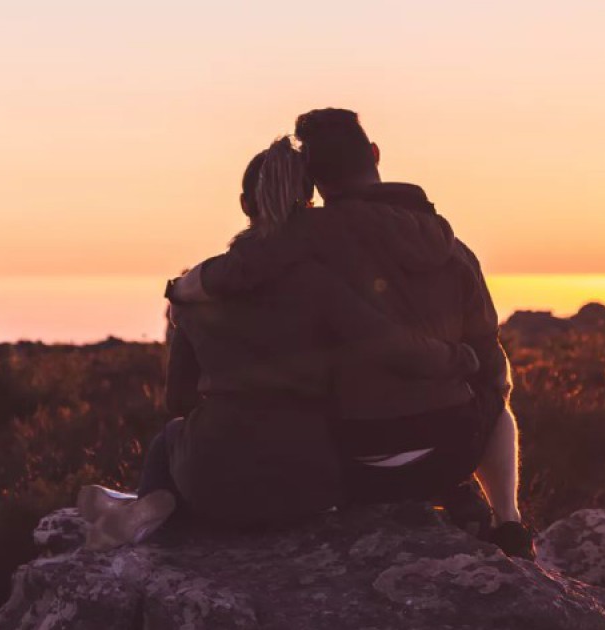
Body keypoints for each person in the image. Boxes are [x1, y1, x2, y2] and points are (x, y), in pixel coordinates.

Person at [77, 138, 480, 549]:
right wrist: (459, 358)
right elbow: (387, 345)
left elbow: (178, 400)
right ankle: (149, 504)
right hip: (309, 479)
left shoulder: (200, 291)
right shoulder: (322, 284)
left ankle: (147, 505)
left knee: (170, 438)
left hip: (213, 473)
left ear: (244, 204)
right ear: (310, 203)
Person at [169, 108, 534, 558]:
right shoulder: (452, 248)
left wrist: (181, 288)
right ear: (375, 154)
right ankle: (508, 520)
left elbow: (240, 267)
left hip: (351, 465)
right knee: (496, 386)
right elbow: (487, 361)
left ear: (313, 180)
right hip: (450, 453)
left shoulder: (308, 236)